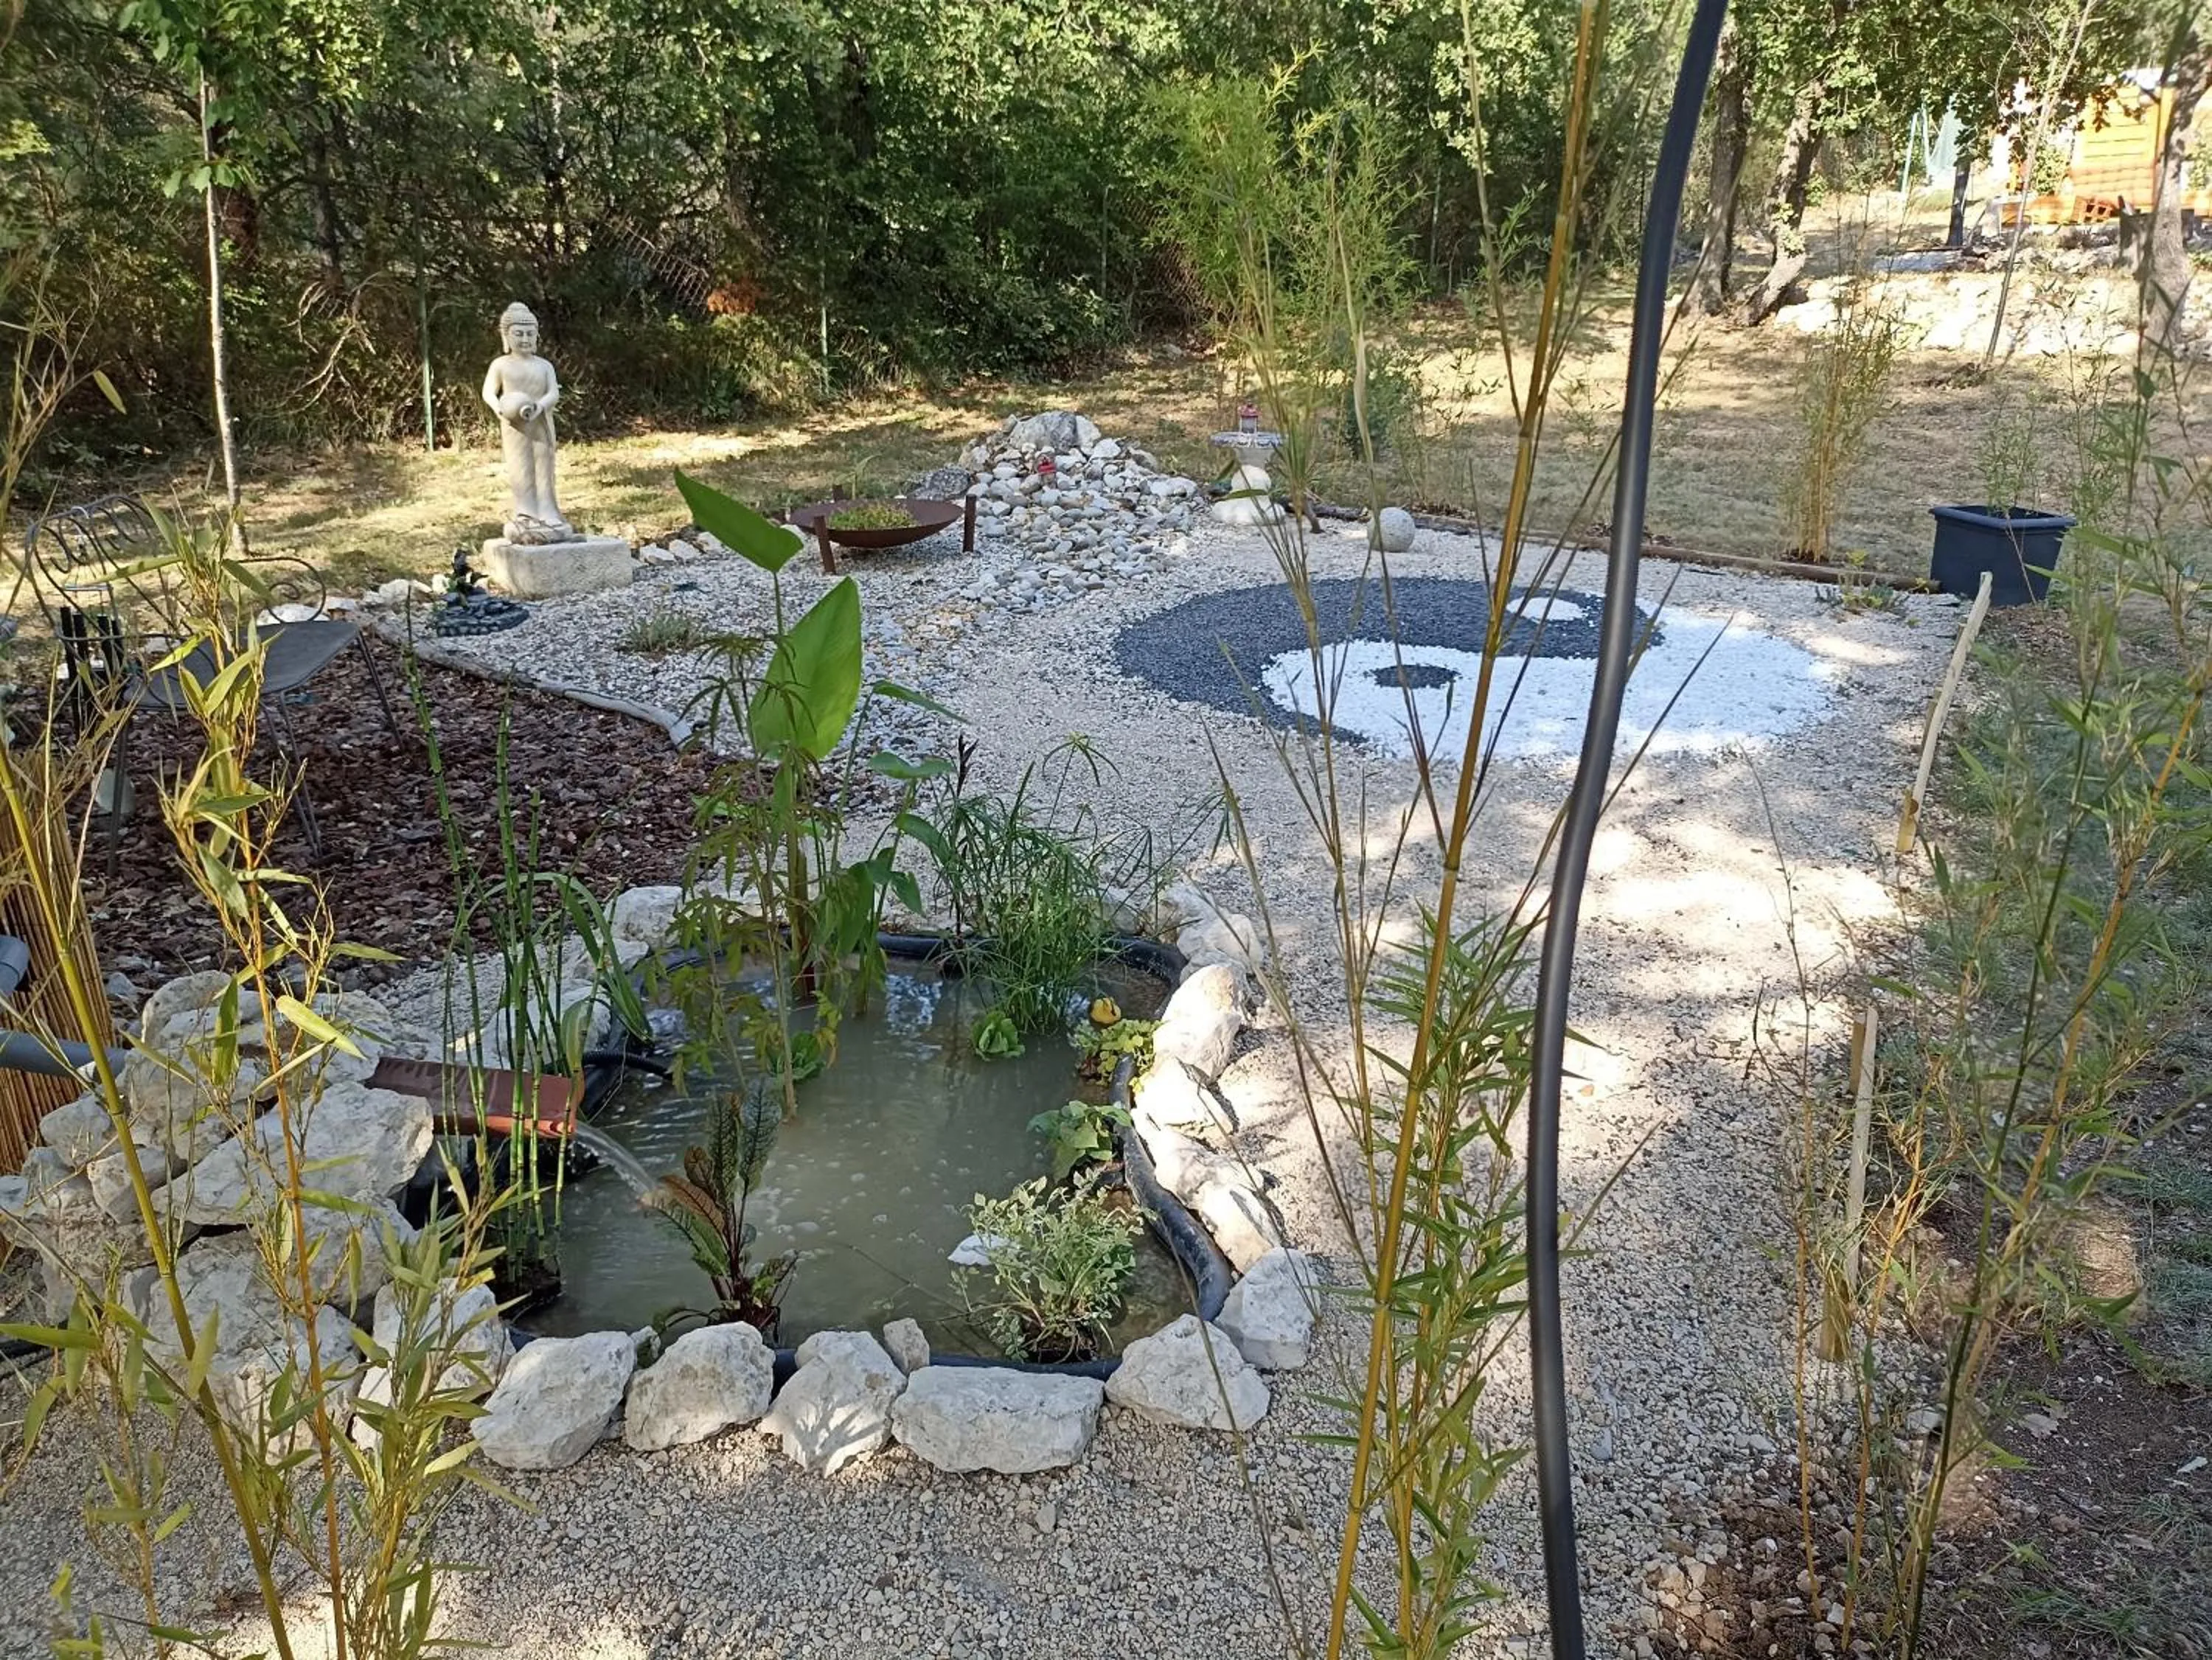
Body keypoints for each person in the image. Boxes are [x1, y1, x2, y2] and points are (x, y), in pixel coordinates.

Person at [481, 302, 576, 543]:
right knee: (520, 466)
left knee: (544, 466)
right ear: (506, 335)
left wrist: (540, 407)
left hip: (541, 422)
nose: (525, 339)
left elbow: (553, 393)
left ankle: (548, 511)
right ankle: (526, 512)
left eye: (529, 334)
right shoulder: (500, 365)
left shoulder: (544, 366)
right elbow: (488, 392)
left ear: (536, 336)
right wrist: (499, 408)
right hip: (515, 425)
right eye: (519, 334)